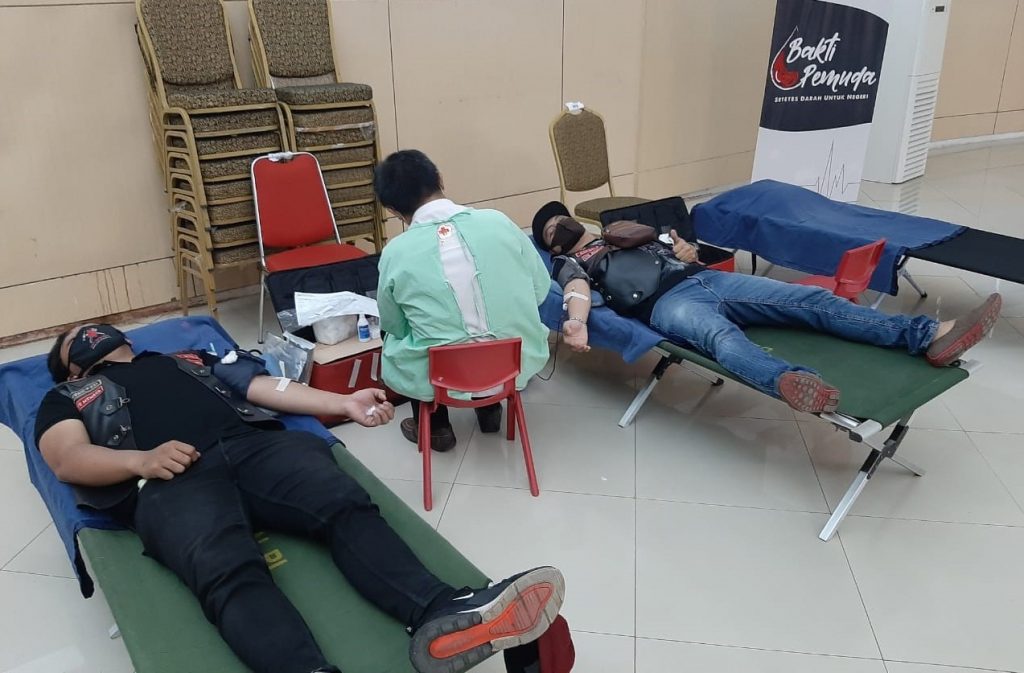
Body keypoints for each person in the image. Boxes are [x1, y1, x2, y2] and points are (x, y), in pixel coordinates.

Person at [36, 323, 565, 673]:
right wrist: (140, 461)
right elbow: (66, 458)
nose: (90, 332)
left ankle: (440, 610)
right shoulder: (65, 396)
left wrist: (343, 403)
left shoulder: (190, 357)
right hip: (168, 477)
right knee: (225, 567)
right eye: (75, 339)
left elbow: (264, 387)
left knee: (342, 503)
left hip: (254, 446)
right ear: (71, 368)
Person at [532, 201, 1002, 413]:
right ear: (552, 246)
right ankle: (790, 382)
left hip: (709, 278)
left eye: (561, 217)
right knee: (721, 340)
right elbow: (577, 293)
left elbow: (686, 250)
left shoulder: (624, 233)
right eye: (552, 230)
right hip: (664, 305)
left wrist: (686, 251)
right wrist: (577, 324)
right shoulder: (570, 263)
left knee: (811, 300)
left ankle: (928, 336)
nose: (561, 225)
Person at [375, 150, 552, 451]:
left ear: (392, 210)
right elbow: (540, 289)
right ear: (440, 178)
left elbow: (395, 324)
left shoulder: (396, 252)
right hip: (514, 363)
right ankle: (490, 410)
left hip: (442, 373)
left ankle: (436, 428)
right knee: (492, 323)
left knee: (394, 334)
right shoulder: (499, 222)